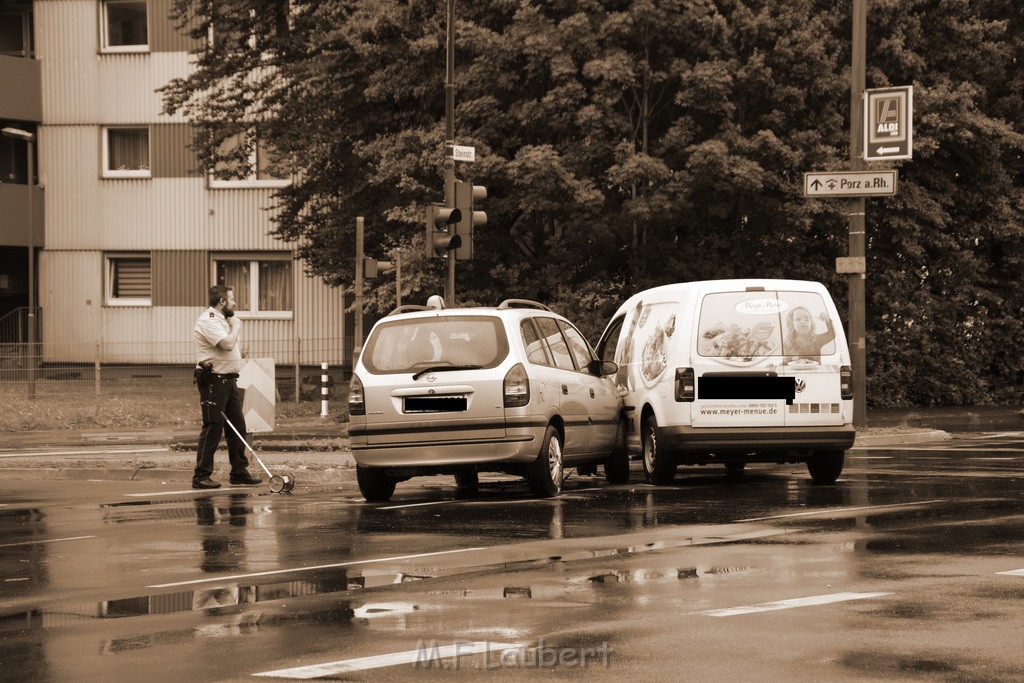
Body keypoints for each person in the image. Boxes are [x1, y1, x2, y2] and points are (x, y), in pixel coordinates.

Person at [192, 285, 262, 489]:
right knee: (213, 426)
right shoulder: (209, 320)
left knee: (238, 427)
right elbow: (227, 345)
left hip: (229, 380)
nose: (234, 303)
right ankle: (201, 476)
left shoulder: (223, 320)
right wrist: (237, 325)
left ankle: (238, 472)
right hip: (214, 380)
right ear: (222, 302)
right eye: (232, 299)